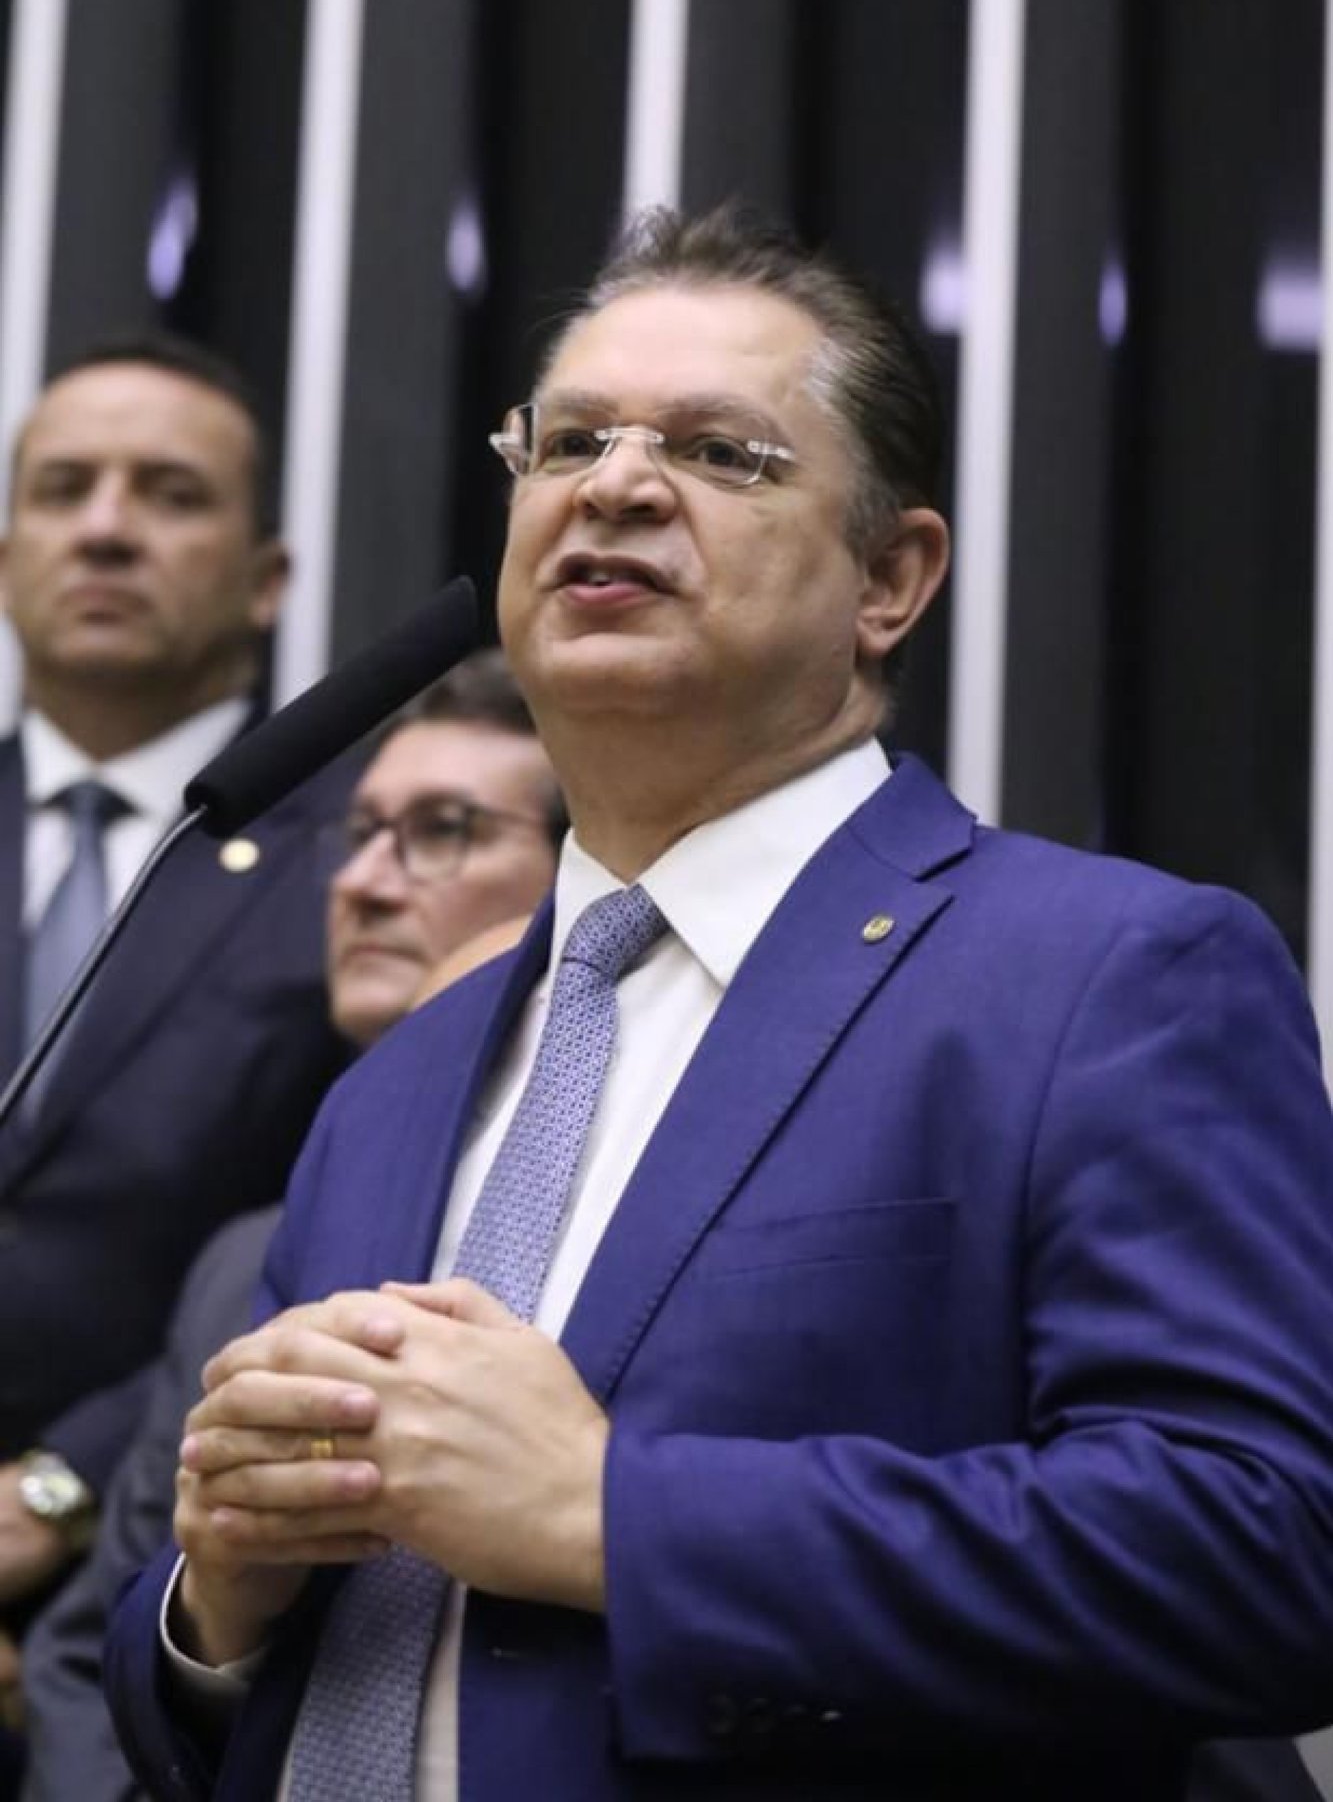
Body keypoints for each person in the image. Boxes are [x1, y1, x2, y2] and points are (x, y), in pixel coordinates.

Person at [107, 207, 1333, 1801]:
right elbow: (212, 1707)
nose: (613, 484)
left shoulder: (1107, 977)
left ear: (888, 578)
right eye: (568, 443)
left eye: (718, 453)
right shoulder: (391, 1085)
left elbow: (1261, 1551)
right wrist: (218, 1606)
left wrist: (612, 1516)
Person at [17, 652, 562, 1802]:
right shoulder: (242, 1258)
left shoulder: (600, 1222)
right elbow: (93, 1653)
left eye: (444, 831)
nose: (362, 882)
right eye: (358, 834)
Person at [0, 333, 350, 1652]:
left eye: (171, 494)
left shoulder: (362, 857)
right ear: (7, 558)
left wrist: (60, 1488)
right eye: (64, 489)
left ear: (266, 582)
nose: (106, 529)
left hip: (169, 1578)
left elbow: (333, 1239)